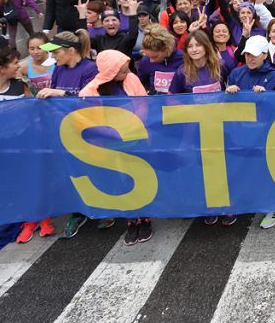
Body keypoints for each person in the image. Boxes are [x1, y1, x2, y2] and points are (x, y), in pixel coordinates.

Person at [79, 49, 154, 245]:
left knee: (141, 179)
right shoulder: (89, 92)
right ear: (109, 71)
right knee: (121, 183)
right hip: (109, 145)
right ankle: (131, 220)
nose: (127, 72)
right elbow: (89, 123)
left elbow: (143, 103)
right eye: (121, 70)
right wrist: (116, 133)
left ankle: (145, 218)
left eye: (127, 68)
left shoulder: (131, 79)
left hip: (136, 139)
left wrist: (136, 126)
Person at [34, 30, 97, 238]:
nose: (53, 57)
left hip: (87, 131)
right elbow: (52, 93)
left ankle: (100, 209)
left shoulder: (90, 68)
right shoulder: (58, 69)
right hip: (63, 130)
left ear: (70, 51)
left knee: (91, 170)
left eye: (56, 52)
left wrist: (60, 93)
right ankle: (77, 212)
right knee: (69, 173)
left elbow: (91, 98)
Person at [169, 29, 228, 95]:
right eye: (190, 46)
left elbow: (231, 87)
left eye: (198, 45)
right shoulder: (182, 72)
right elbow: (171, 98)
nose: (194, 50)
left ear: (206, 47)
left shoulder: (220, 65)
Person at [136, 24, 184, 94]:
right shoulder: (145, 61)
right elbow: (140, 84)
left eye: (155, 57)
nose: (151, 61)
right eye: (148, 56)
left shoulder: (183, 58)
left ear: (166, 49)